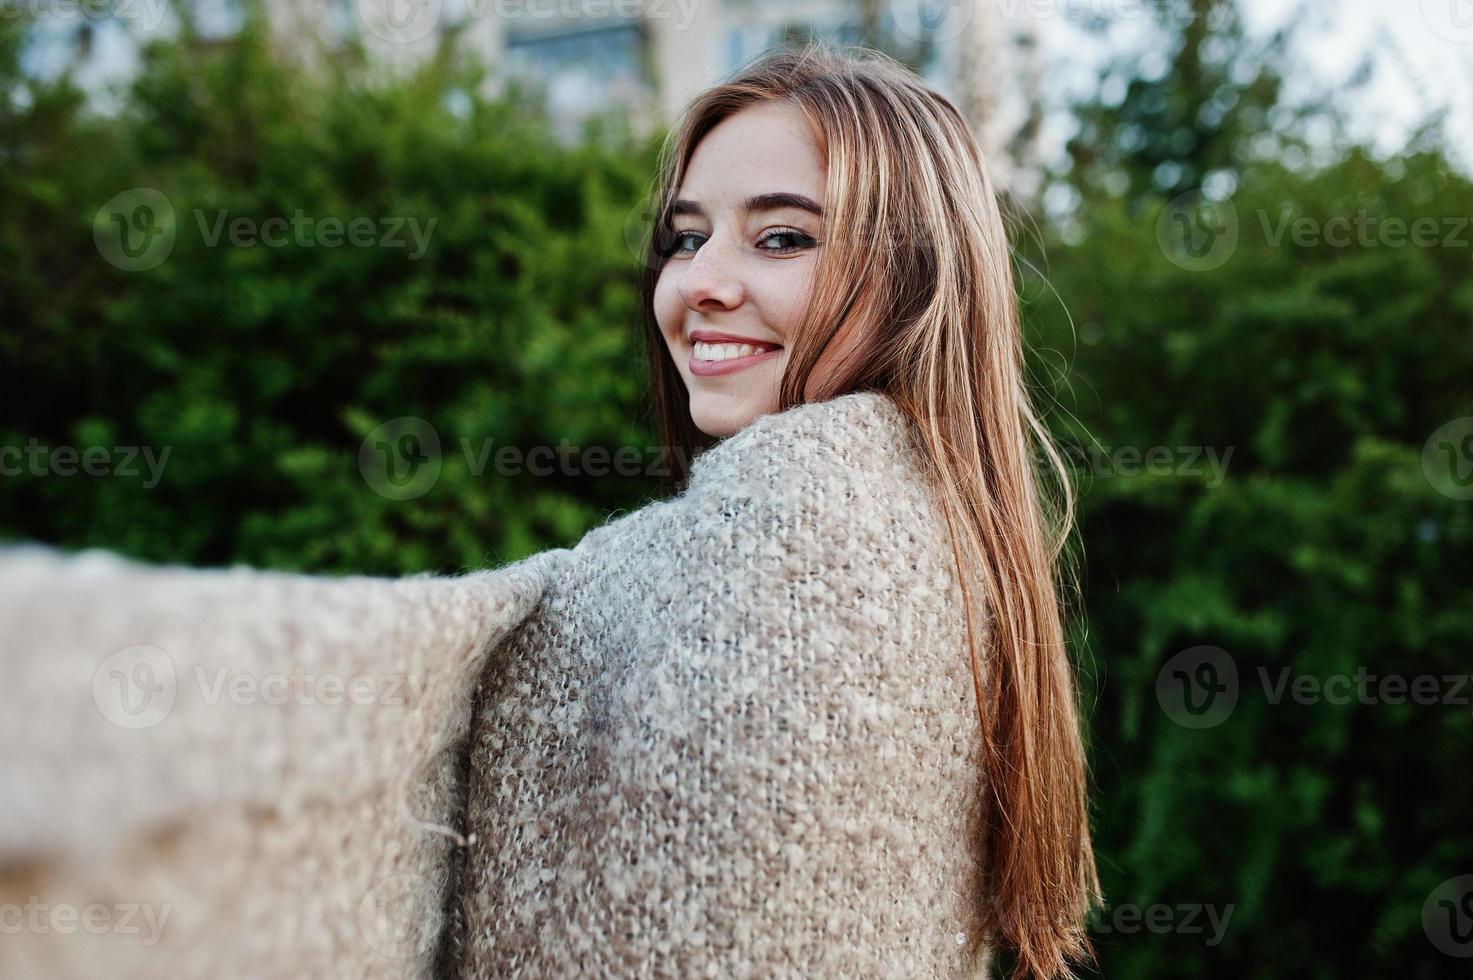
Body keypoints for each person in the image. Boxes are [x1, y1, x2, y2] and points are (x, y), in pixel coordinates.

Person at [0, 43, 1099, 980]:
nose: (699, 281)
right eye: (685, 234)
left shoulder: (796, 530)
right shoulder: (949, 536)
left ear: (918, 279)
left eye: (781, 238)